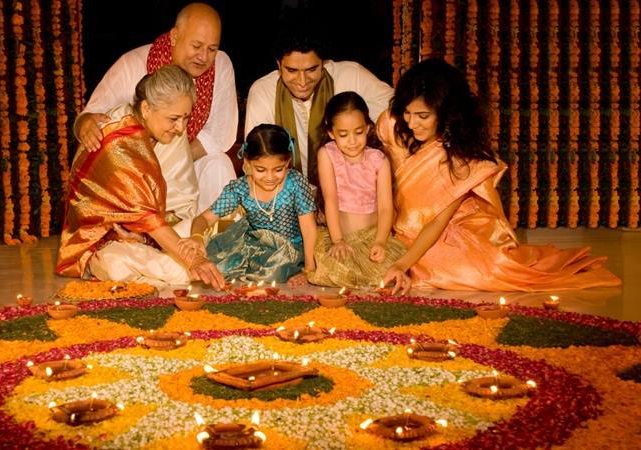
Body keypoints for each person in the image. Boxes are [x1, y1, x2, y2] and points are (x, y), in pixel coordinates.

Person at [377, 58, 622, 294]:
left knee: (483, 272)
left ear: (446, 113)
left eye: (423, 116)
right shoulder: (392, 125)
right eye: (408, 113)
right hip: (401, 229)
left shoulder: (461, 154)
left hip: (447, 230)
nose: (412, 123)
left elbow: (437, 222)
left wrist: (402, 263)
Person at [57, 65, 224, 289]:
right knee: (115, 265)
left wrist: (151, 239)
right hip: (104, 240)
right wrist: (194, 260)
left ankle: (167, 270)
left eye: (186, 118)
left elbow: (178, 206)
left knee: (197, 228)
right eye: (174, 118)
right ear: (146, 108)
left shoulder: (160, 131)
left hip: (148, 234)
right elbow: (149, 219)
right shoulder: (119, 144)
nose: (180, 127)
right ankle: (179, 270)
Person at [75, 2, 237, 212]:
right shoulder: (132, 65)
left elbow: (219, 135)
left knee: (219, 165)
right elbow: (92, 116)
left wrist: (176, 163)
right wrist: (85, 124)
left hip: (189, 162)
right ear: (174, 36)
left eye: (212, 49)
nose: (204, 57)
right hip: (134, 173)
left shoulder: (220, 65)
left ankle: (221, 230)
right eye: (196, 46)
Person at [244, 26, 393, 190]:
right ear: (279, 65)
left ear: (324, 63)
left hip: (350, 192)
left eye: (311, 69)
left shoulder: (352, 76)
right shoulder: (263, 92)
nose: (302, 81)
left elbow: (396, 114)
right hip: (283, 195)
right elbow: (255, 158)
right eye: (292, 70)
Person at [181, 124, 318, 284]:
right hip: (254, 245)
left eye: (278, 169)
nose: (270, 177)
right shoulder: (240, 189)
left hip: (291, 248)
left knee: (272, 274)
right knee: (215, 266)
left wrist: (309, 270)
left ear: (288, 161)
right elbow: (204, 219)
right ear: (247, 162)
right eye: (260, 170)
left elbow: (308, 229)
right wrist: (197, 237)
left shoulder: (295, 183)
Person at [307, 92, 405, 288]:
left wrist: (380, 242)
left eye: (358, 132)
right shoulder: (327, 154)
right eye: (343, 135)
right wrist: (338, 240)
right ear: (331, 132)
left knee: (385, 275)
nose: (352, 141)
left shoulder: (379, 160)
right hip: (340, 237)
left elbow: (386, 207)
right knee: (334, 273)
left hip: (373, 237)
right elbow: (330, 199)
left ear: (368, 128)